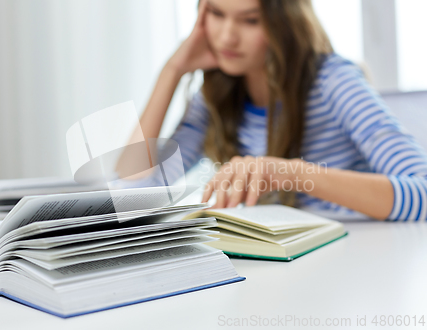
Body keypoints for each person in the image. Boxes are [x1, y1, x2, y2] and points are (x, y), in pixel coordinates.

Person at [117, 0, 427, 221]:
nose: (227, 36)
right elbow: (133, 196)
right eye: (216, 12)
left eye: (250, 19)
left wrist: (288, 172)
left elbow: (422, 193)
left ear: (286, 22)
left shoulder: (333, 80)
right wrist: (171, 73)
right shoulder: (217, 96)